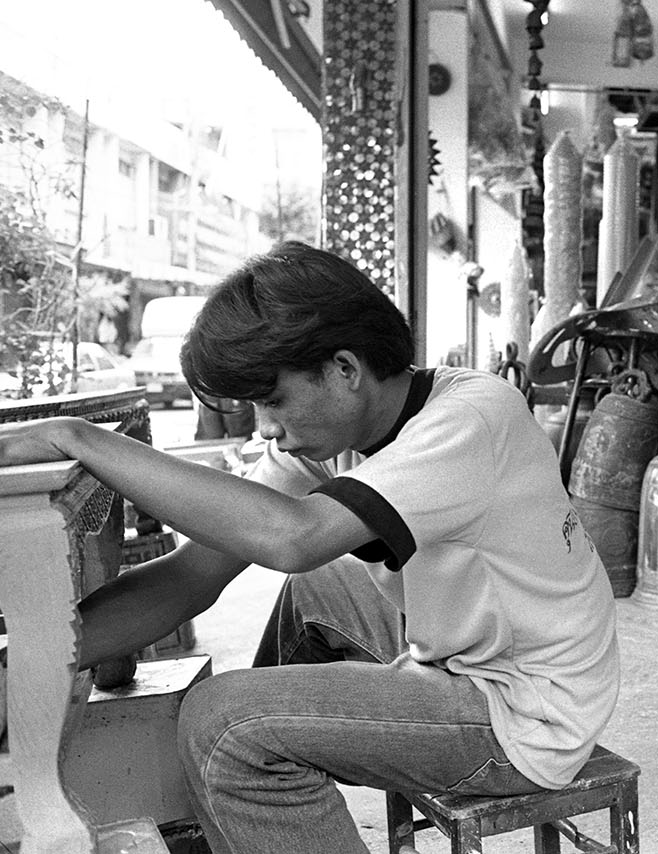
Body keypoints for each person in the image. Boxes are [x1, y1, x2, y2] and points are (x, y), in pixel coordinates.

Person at [0, 241, 620, 854]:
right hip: (472, 647)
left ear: (345, 369)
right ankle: (256, 808)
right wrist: (24, 661)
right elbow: (190, 576)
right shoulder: (330, 439)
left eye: (273, 401)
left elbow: (292, 537)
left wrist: (81, 440)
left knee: (224, 726)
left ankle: (250, 779)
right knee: (313, 593)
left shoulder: (469, 418)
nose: (267, 428)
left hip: (527, 708)